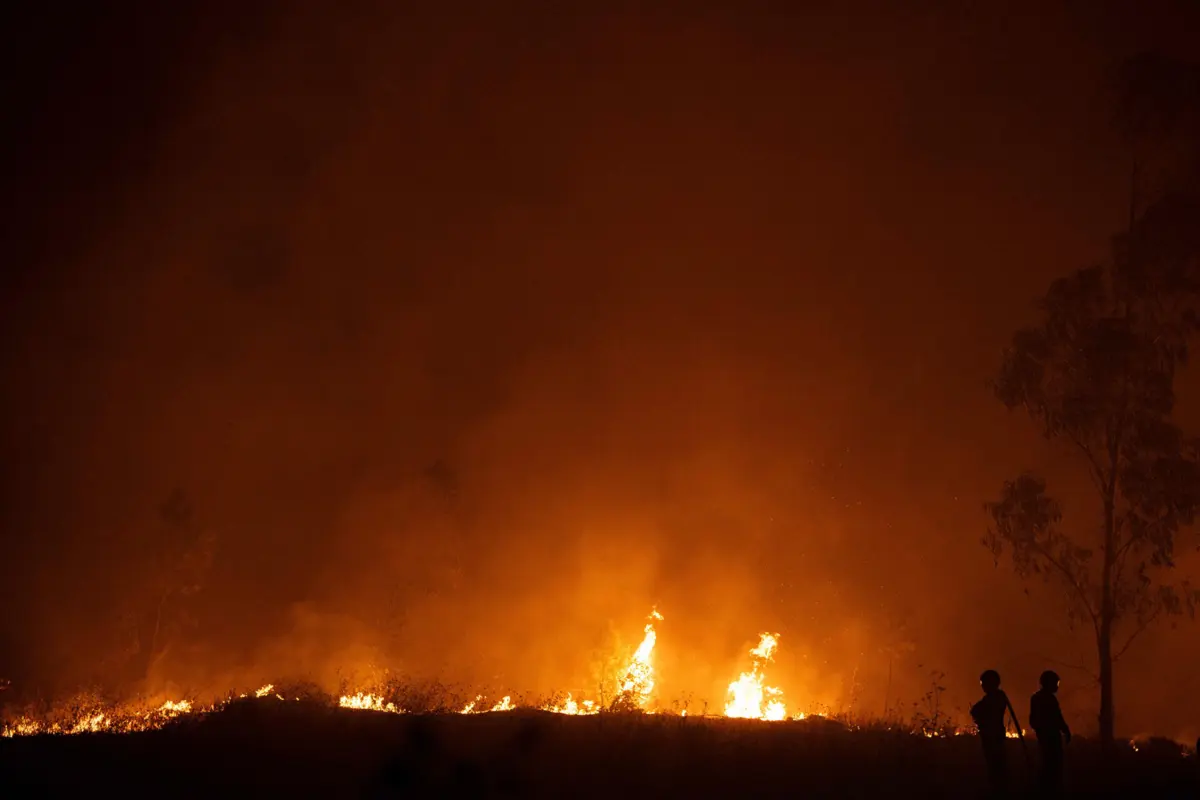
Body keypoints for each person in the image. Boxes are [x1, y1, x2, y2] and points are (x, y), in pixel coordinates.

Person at [970, 669, 1022, 795]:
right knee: (997, 765)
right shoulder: (999, 696)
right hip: (995, 735)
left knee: (995, 766)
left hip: (992, 736)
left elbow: (975, 710)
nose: (982, 686)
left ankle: (998, 791)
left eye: (983, 683)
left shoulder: (993, 698)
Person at [1029, 670, 1071, 795]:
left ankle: (1045, 789)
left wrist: (1039, 729)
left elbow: (1032, 720)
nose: (1057, 686)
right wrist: (1065, 730)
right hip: (1051, 738)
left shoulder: (1035, 698)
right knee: (1052, 765)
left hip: (1044, 737)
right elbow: (1057, 717)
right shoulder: (1049, 699)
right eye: (1056, 683)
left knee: (1045, 763)